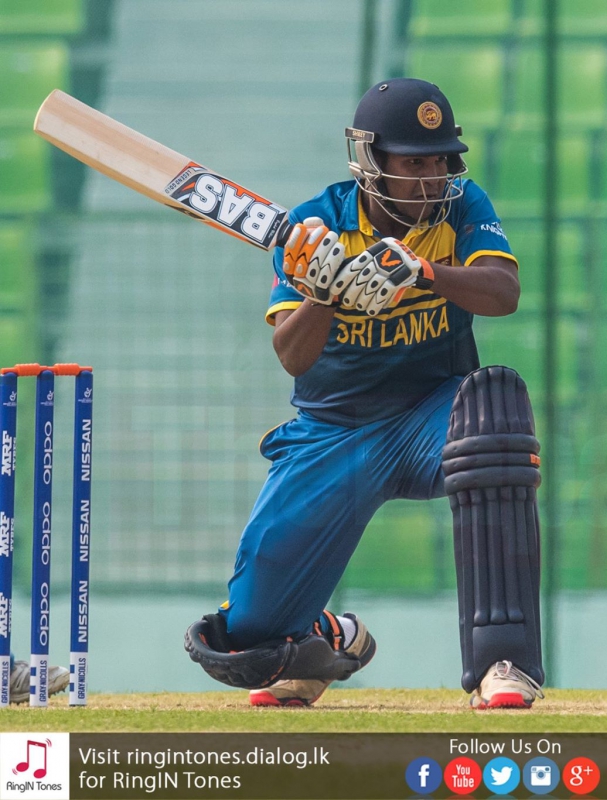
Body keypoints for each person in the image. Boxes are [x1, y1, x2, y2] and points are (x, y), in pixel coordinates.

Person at [184, 79, 545, 710]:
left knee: (495, 410)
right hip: (333, 431)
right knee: (247, 640)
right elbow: (292, 356)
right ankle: (320, 639)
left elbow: (503, 293)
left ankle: (503, 662)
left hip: (432, 415)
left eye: (441, 160)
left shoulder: (462, 208)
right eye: (414, 164)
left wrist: (421, 271)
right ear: (371, 164)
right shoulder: (314, 228)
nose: (431, 178)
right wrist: (324, 293)